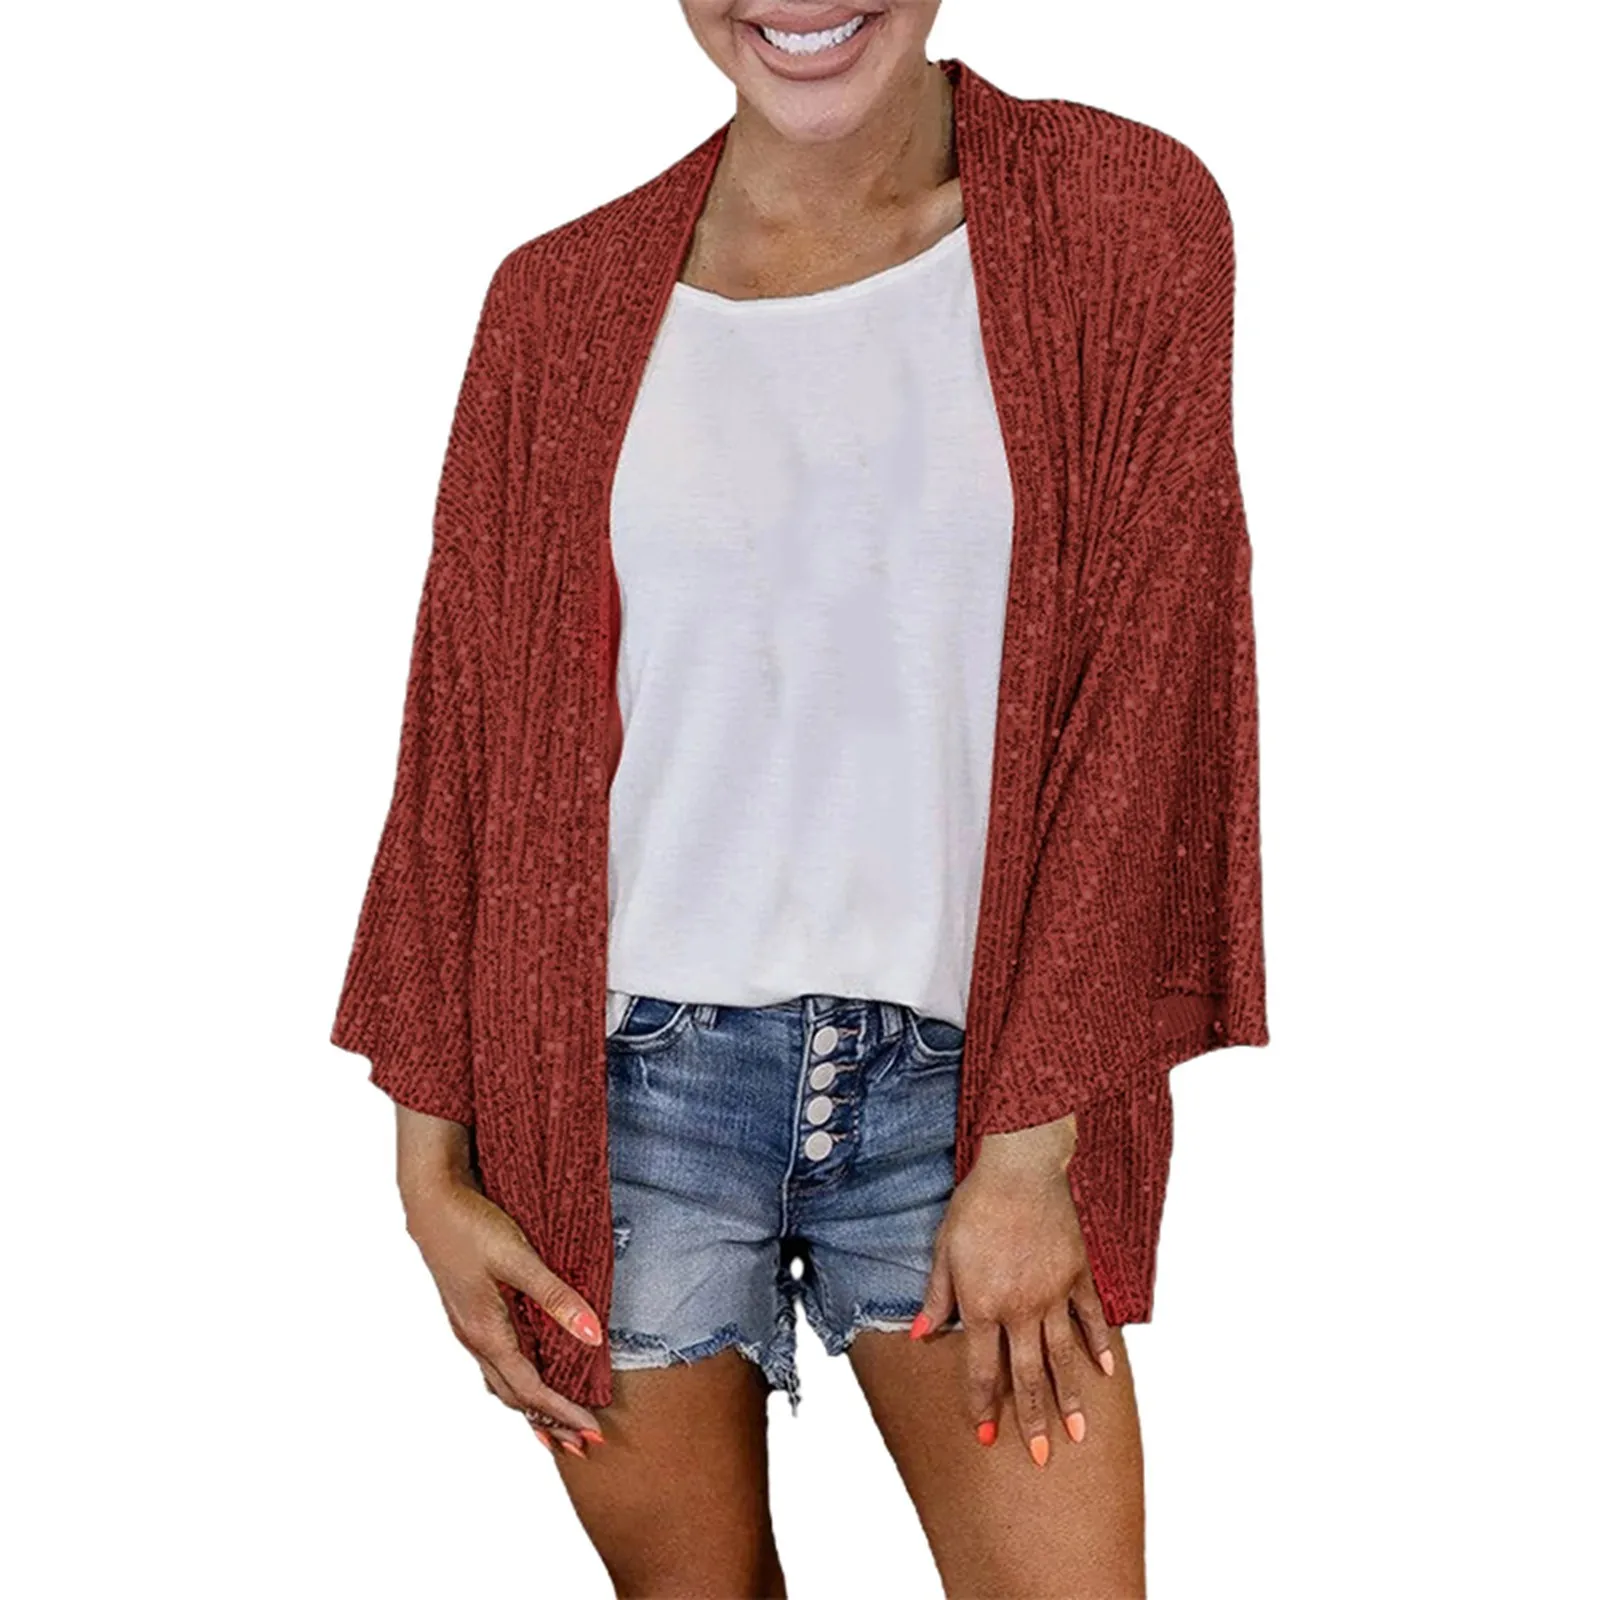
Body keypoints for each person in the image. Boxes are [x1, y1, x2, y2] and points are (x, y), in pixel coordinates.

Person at [331, 4, 1268, 1595]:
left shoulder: (1121, 216)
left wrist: (1033, 1154)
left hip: (969, 1100)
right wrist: (430, 1171)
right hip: (626, 1098)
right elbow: (463, 739)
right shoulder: (556, 303)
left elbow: (1148, 689)